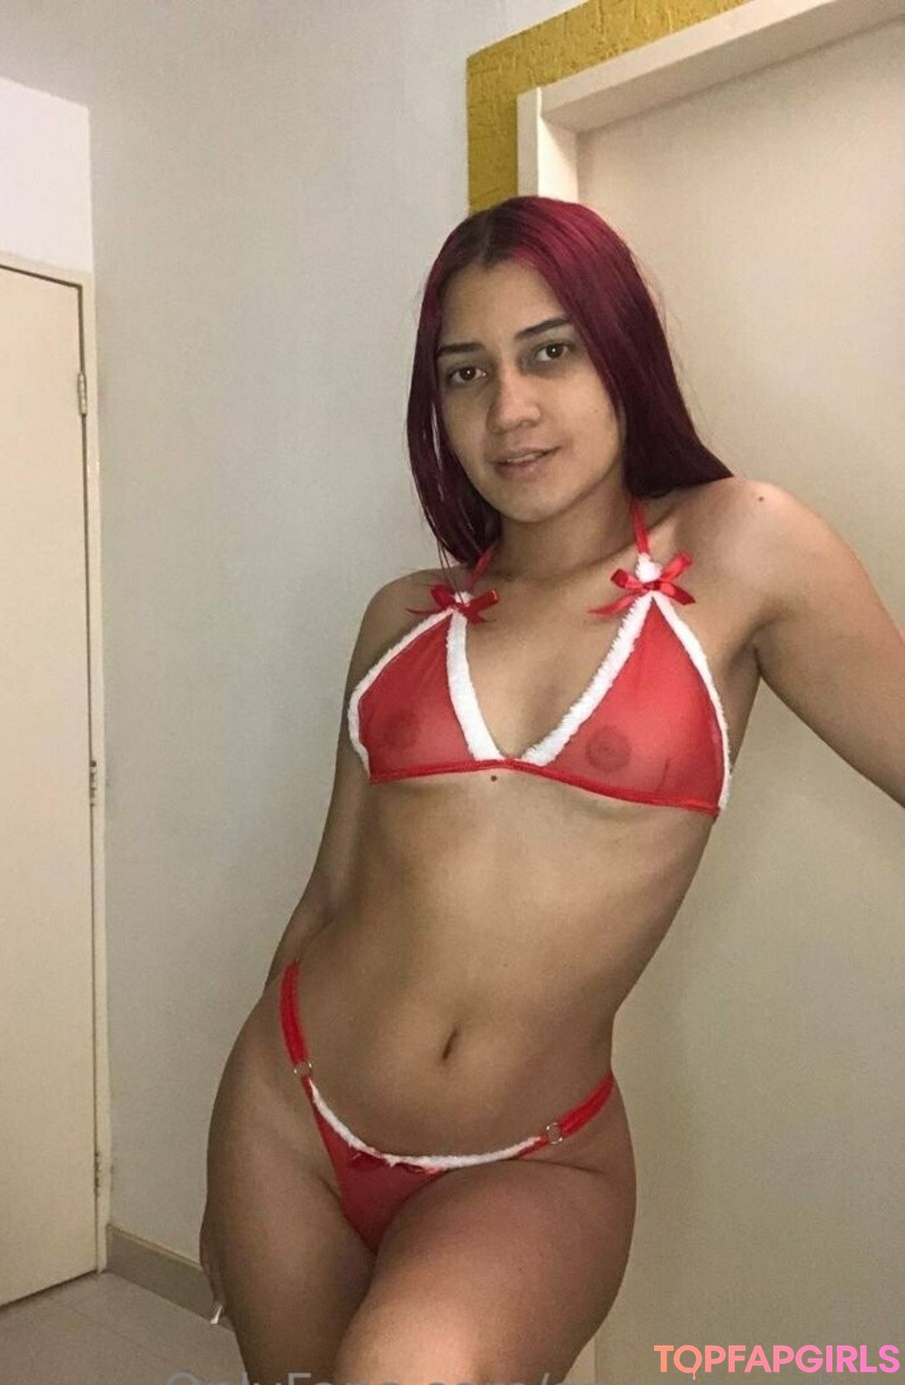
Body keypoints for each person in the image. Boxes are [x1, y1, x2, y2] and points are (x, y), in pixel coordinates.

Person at [199, 195, 905, 1385]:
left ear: (621, 352)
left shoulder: (742, 549)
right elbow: (327, 898)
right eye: (465, 372)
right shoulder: (401, 616)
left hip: (531, 1158)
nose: (509, 409)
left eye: (550, 352)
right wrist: (226, 1170)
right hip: (288, 1114)